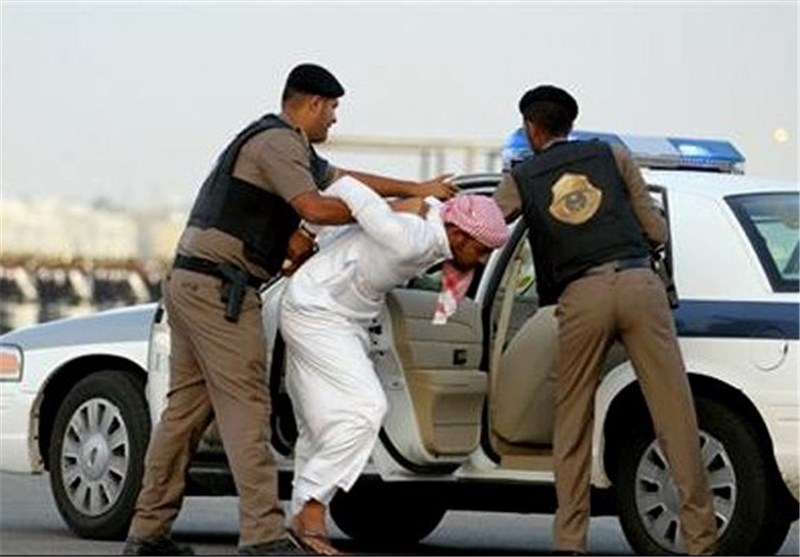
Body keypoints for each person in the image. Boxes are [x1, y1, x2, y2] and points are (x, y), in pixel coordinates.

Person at [121, 63, 457, 557]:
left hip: (193, 282)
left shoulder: (285, 145)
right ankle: (263, 535)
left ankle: (147, 532)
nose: (335, 119)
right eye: (333, 109)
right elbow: (316, 208)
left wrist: (413, 190)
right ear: (314, 104)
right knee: (247, 411)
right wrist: (387, 213)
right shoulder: (278, 143)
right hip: (221, 291)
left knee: (184, 415)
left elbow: (344, 180)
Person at [493, 85, 718, 556]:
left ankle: (570, 542)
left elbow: (488, 225)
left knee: (573, 420)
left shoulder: (523, 175)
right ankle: (701, 541)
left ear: (531, 128)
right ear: (571, 125)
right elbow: (655, 230)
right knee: (675, 416)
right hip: (640, 286)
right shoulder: (612, 155)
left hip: (582, 296)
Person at [279, 176, 509, 555]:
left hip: (346, 315)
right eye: (482, 250)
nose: (483, 260)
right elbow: (346, 186)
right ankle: (314, 508)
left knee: (319, 424)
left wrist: (416, 200)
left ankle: (301, 519)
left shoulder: (433, 228)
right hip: (317, 309)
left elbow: (427, 208)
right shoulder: (409, 239)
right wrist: (306, 233)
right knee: (366, 410)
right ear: (459, 235)